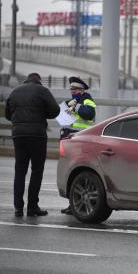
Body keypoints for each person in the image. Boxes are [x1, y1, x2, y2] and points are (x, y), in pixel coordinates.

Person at [5, 73, 60, 217]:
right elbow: (56, 110)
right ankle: (32, 207)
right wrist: (42, 114)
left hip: (18, 135)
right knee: (36, 171)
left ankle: (18, 208)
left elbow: (7, 114)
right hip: (37, 136)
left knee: (19, 171)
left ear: (27, 80)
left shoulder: (15, 91)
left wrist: (19, 121)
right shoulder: (43, 91)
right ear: (39, 81)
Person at [60, 76, 97, 215]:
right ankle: (72, 204)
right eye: (71, 89)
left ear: (81, 90)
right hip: (70, 139)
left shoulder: (88, 100)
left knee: (78, 173)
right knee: (69, 173)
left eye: (75, 89)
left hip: (81, 140)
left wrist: (75, 106)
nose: (73, 92)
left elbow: (88, 114)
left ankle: (76, 205)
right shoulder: (72, 101)